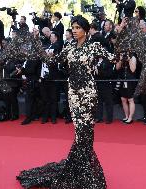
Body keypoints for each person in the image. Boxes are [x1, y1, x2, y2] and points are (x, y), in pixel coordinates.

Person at [16, 15, 115, 188]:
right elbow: (52, 60)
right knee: (79, 131)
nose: (75, 31)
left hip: (89, 92)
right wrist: (38, 44)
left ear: (85, 29)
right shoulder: (68, 47)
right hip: (73, 93)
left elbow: (113, 59)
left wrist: (127, 48)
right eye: (73, 28)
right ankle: (80, 169)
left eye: (77, 27)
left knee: (87, 131)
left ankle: (85, 170)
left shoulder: (95, 46)